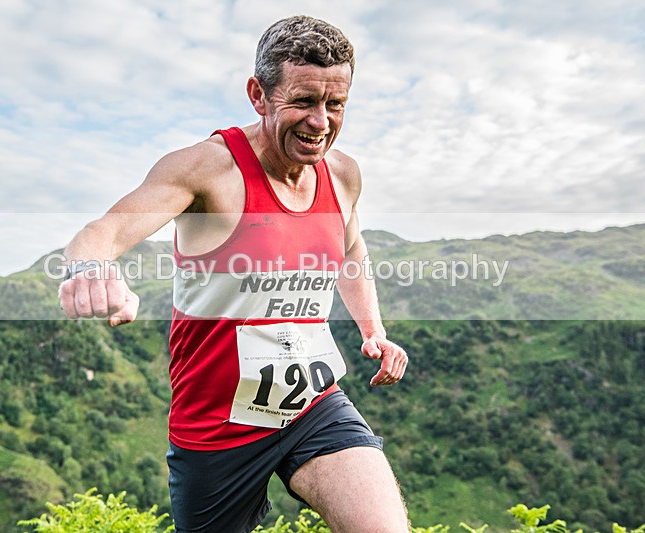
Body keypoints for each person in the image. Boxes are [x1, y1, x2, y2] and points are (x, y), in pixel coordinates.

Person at [58, 15, 410, 533]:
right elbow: (104, 230)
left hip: (311, 403)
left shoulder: (343, 174)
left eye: (335, 104)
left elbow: (350, 248)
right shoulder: (207, 169)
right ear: (258, 94)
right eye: (302, 102)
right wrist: (91, 268)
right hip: (215, 426)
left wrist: (373, 330)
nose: (320, 123)